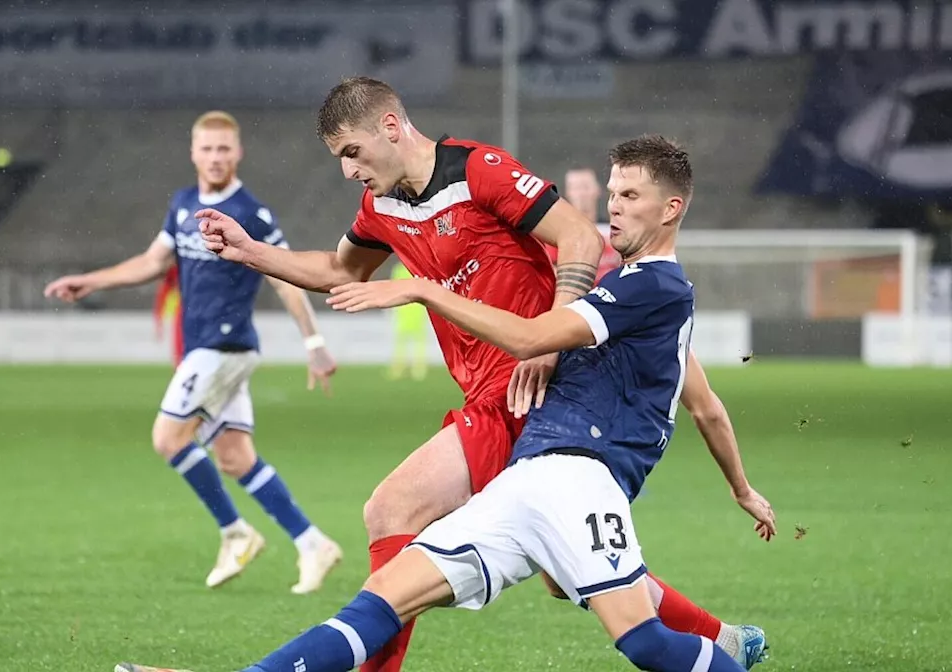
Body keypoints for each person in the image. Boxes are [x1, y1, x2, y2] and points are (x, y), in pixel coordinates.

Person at [115, 135, 774, 672]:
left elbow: (542, 328)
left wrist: (425, 291)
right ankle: (724, 639)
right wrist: (743, 489)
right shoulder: (625, 291)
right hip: (528, 480)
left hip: (576, 470)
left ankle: (720, 646)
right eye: (610, 194)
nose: (611, 208)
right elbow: (705, 405)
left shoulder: (651, 290)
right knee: (384, 597)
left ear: (672, 209)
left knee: (644, 641)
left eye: (629, 196)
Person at [44, 110, 343, 594]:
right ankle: (312, 543)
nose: (216, 157)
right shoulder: (183, 205)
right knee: (234, 457)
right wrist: (91, 281)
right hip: (207, 349)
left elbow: (286, 277)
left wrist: (314, 343)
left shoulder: (252, 213)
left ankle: (235, 531)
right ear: (193, 153)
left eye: (224, 148)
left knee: (168, 438)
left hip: (224, 345)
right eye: (207, 148)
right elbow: (150, 262)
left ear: (238, 152)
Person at [550, 166, 622, 281]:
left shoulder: (615, 228)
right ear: (568, 192)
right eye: (576, 188)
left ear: (597, 189)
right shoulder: (558, 233)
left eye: (586, 187)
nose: (581, 194)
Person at [385, 262, 428, 380]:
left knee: (413, 342)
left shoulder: (402, 269)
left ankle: (414, 369)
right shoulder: (416, 267)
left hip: (412, 310)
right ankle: (413, 369)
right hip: (409, 310)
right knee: (406, 342)